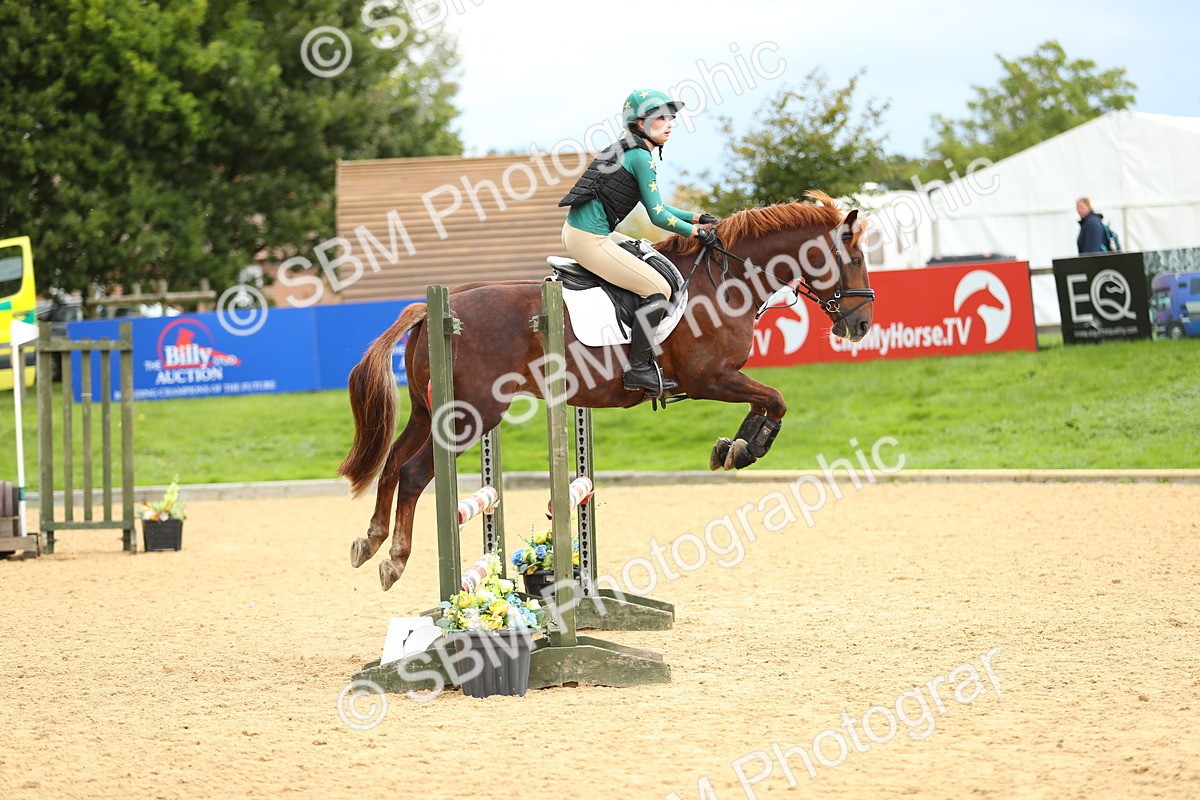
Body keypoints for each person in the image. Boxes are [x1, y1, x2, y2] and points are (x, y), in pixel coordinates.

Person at [559, 88, 720, 396]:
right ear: (640, 123)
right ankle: (639, 369)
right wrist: (695, 233)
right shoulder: (641, 157)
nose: (670, 123)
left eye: (671, 117)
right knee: (658, 289)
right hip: (589, 239)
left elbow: (656, 205)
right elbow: (658, 217)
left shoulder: (629, 149)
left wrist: (696, 217)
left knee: (648, 259)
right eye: (660, 118)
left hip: (587, 233)